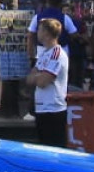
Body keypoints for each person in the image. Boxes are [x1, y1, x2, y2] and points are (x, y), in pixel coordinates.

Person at [29, 18, 71, 147]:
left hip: (53, 110)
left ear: (46, 33)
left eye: (40, 30)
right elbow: (29, 78)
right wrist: (38, 76)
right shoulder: (44, 54)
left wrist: (38, 76)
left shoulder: (57, 54)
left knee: (55, 148)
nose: (37, 32)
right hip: (41, 109)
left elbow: (42, 82)